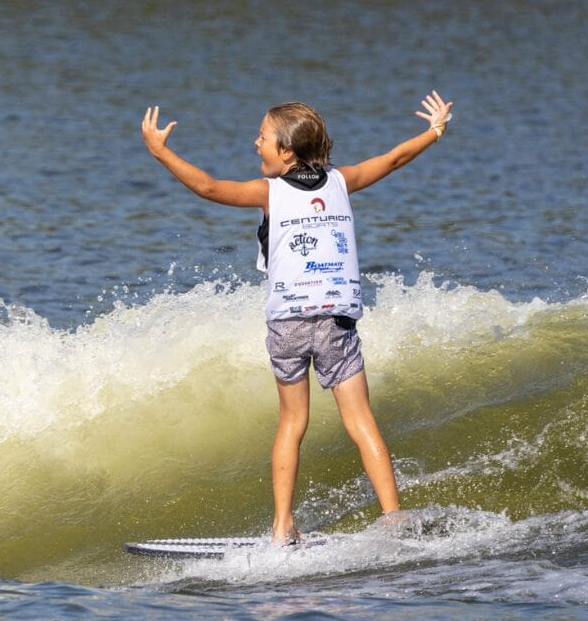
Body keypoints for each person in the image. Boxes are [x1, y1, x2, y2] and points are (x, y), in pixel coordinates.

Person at [140, 92, 453, 544]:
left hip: (287, 323)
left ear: (286, 151)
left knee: (293, 423)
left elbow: (208, 188)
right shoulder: (342, 182)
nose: (255, 143)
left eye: (263, 137)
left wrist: (160, 151)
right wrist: (436, 130)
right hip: (336, 323)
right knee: (361, 418)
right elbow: (395, 158)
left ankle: (283, 525)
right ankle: (392, 515)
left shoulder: (268, 192)